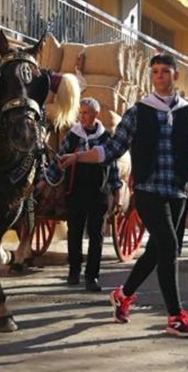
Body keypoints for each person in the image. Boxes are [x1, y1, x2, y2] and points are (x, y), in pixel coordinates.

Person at [59, 54, 188, 338]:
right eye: (155, 72)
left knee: (157, 250)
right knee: (168, 245)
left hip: (178, 191)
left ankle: (123, 295)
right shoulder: (138, 111)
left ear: (175, 76)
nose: (160, 76)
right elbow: (111, 148)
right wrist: (78, 156)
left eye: (165, 71)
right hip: (148, 190)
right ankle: (176, 316)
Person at [41, 97, 121, 292]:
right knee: (74, 233)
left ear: (95, 115)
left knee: (96, 235)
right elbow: (60, 160)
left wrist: (116, 191)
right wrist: (45, 179)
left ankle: (92, 277)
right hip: (74, 191)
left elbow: (112, 166)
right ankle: (74, 271)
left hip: (98, 193)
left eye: (86, 113)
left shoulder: (105, 138)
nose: (82, 116)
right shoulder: (72, 136)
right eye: (81, 113)